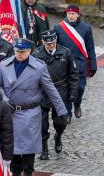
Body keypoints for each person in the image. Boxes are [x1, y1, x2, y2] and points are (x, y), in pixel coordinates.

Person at [0, 38, 68, 176]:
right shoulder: (5, 65)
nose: (19, 54)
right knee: (13, 151)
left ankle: (28, 173)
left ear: (30, 51)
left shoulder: (39, 67)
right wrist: (5, 100)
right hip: (10, 112)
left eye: (23, 51)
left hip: (30, 113)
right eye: (17, 51)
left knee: (29, 153)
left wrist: (62, 110)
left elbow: (51, 90)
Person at [32, 29, 79, 160]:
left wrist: (73, 93)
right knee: (42, 123)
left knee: (61, 122)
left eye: (53, 43)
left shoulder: (65, 52)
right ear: (43, 42)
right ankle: (44, 147)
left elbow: (74, 74)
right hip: (42, 92)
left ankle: (58, 136)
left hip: (61, 90)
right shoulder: (36, 54)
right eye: (48, 44)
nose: (51, 46)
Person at [54, 4, 97, 119]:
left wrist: (93, 65)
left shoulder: (86, 28)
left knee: (80, 88)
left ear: (78, 14)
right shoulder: (58, 28)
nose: (71, 16)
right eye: (69, 13)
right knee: (67, 90)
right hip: (65, 65)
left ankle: (77, 105)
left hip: (80, 64)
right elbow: (55, 48)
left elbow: (90, 48)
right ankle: (68, 113)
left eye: (73, 14)